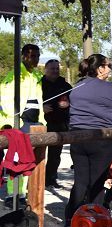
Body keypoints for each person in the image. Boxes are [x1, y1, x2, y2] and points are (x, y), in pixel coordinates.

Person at [65, 55, 112, 226]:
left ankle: (72, 219)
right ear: (100, 68)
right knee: (97, 184)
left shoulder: (77, 86)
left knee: (80, 182)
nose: (110, 69)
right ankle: (93, 224)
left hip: (77, 138)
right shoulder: (110, 89)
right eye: (108, 66)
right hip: (101, 139)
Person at [41, 59, 72, 188]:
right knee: (38, 153)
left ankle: (50, 178)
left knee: (55, 155)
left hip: (60, 124)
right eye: (52, 68)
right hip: (41, 123)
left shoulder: (64, 85)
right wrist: (41, 107)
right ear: (45, 70)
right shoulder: (39, 84)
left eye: (57, 69)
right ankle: (36, 179)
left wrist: (68, 104)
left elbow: (74, 100)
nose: (55, 71)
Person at [0, 43, 43, 129]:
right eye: (33, 56)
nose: (36, 59)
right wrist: (14, 122)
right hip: (21, 124)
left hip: (37, 122)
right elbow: (5, 100)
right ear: (23, 57)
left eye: (38, 56)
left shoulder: (38, 76)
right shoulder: (15, 75)